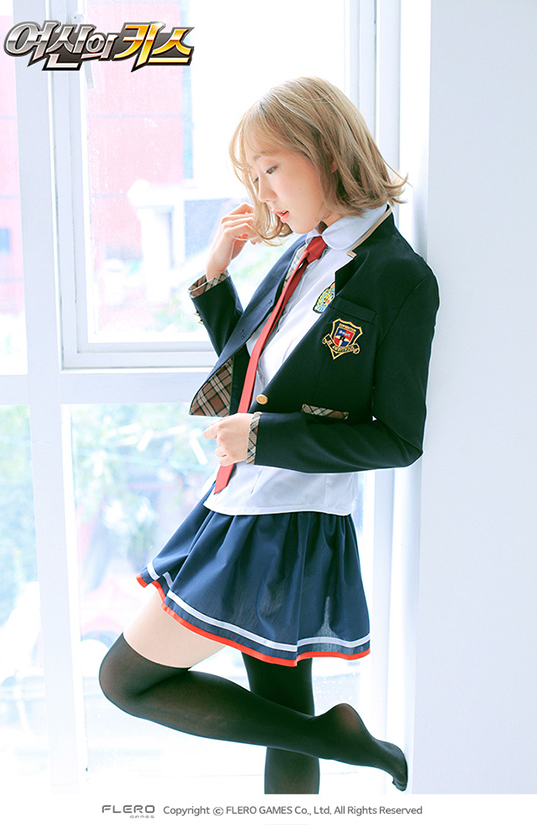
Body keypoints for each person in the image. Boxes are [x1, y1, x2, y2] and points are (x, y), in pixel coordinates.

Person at [99, 76, 439, 794]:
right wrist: (213, 276)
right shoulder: (305, 253)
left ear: (326, 150)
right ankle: (332, 739)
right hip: (246, 502)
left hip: (279, 520)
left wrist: (262, 440)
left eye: (271, 169)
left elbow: (397, 438)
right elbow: (256, 369)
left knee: (124, 678)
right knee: (284, 713)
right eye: (254, 178)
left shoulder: (398, 277)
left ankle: (334, 739)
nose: (263, 193)